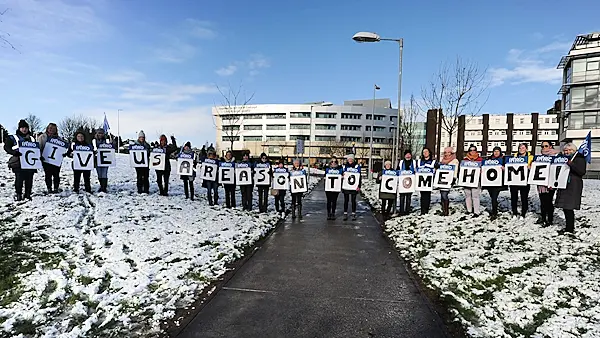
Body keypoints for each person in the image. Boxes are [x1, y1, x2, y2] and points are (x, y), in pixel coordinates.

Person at [555, 143, 586, 234]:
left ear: (574, 151)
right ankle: (568, 226)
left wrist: (571, 164)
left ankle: (570, 228)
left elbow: (581, 172)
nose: (567, 152)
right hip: (564, 184)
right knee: (565, 207)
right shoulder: (563, 159)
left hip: (573, 186)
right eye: (565, 150)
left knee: (569, 207)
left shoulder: (579, 159)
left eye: (570, 150)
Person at [4, 119, 36, 201]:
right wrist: (14, 152)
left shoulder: (32, 138)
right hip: (18, 162)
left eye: (26, 128)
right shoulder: (13, 137)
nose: (24, 129)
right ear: (19, 128)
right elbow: (6, 147)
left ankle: (28, 194)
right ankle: (18, 194)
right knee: (19, 179)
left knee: (29, 179)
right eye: (22, 128)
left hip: (30, 162)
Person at [538, 141, 559, 227]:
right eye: (542, 146)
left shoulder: (556, 157)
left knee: (549, 202)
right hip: (541, 184)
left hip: (551, 183)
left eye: (546, 146)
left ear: (550, 146)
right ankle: (543, 218)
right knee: (542, 201)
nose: (544, 148)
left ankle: (550, 219)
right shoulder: (539, 157)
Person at [510, 143, 533, 219]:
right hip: (514, 180)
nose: (521, 149)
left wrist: (530, 167)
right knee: (514, 198)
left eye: (523, 148)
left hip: (525, 181)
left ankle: (523, 213)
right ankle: (514, 212)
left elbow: (534, 167)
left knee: (524, 198)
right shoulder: (514, 156)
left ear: (526, 149)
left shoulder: (531, 157)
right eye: (520, 148)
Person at [37, 123, 62, 193]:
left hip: (56, 160)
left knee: (56, 174)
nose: (52, 130)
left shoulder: (59, 138)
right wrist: (40, 155)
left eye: (54, 128)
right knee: (48, 174)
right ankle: (49, 188)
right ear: (47, 128)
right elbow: (39, 147)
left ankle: (56, 188)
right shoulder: (42, 137)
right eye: (50, 128)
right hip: (46, 159)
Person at [485, 146, 506, 220]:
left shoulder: (503, 159)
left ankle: (494, 212)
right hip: (489, 181)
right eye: (495, 151)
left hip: (498, 182)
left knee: (494, 197)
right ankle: (495, 206)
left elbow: (508, 168)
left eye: (497, 151)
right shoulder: (488, 159)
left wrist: (504, 169)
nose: (496, 153)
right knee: (492, 196)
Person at [437, 147, 460, 216]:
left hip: (449, 179)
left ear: (451, 153)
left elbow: (455, 170)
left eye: (448, 152)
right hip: (442, 179)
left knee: (444, 194)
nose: (447, 154)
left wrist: (454, 178)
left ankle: (446, 211)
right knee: (442, 194)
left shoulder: (455, 160)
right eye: (445, 152)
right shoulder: (442, 160)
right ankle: (444, 209)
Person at [463, 144, 483, 217]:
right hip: (467, 180)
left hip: (476, 180)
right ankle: (469, 210)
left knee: (475, 196)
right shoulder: (465, 160)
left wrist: (481, 170)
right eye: (471, 150)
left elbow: (483, 168)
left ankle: (476, 211)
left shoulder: (480, 160)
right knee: (467, 195)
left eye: (474, 150)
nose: (472, 151)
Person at [417, 147, 436, 215]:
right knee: (422, 195)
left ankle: (426, 209)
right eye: (423, 152)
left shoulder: (433, 161)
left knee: (427, 195)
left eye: (426, 152)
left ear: (429, 153)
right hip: (421, 181)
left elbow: (439, 168)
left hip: (429, 181)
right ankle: (422, 210)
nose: (425, 153)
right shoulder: (419, 161)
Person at [342, 154, 361, 221]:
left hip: (354, 186)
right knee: (346, 200)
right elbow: (341, 175)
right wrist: (342, 176)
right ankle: (345, 213)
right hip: (346, 186)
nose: (350, 160)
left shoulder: (357, 167)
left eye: (351, 159)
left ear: (353, 160)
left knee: (353, 200)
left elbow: (359, 177)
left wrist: (359, 186)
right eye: (349, 159)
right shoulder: (344, 167)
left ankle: (353, 213)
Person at [92, 128, 110, 193]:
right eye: (99, 133)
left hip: (106, 159)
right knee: (99, 174)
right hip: (97, 159)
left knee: (104, 173)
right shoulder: (94, 141)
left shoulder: (107, 141)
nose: (100, 134)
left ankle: (104, 187)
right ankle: (101, 185)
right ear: (97, 134)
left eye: (102, 133)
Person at [397, 150, 415, 215]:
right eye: (406, 154)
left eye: (409, 154)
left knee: (408, 197)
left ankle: (407, 210)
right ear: (404, 156)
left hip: (410, 182)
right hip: (402, 182)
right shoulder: (401, 162)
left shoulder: (414, 162)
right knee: (402, 197)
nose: (408, 156)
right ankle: (401, 211)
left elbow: (416, 171)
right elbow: (398, 170)